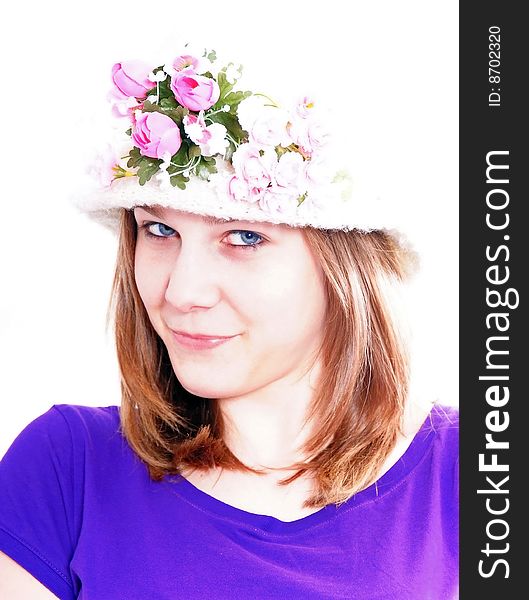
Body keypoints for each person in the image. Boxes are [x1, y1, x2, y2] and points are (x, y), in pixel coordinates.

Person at [0, 47, 458, 599]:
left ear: (348, 267)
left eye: (244, 237)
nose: (182, 291)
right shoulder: (67, 468)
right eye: (159, 232)